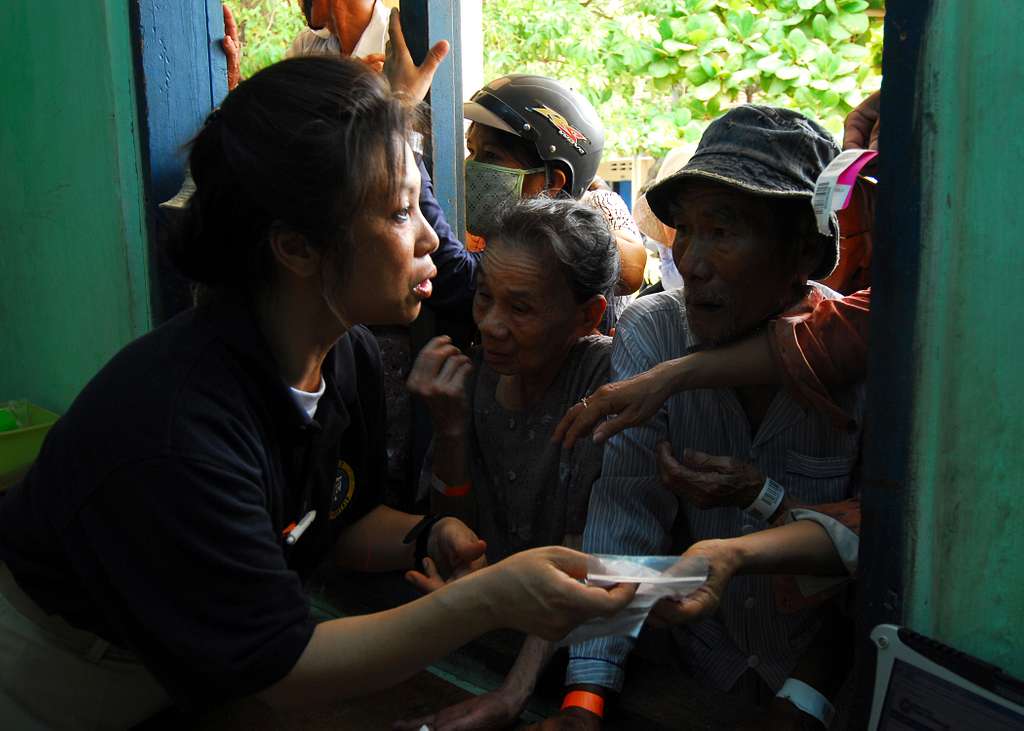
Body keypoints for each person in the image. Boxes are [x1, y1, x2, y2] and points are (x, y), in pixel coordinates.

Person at [0, 57, 634, 729]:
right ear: (298, 248)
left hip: (184, 656)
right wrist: (488, 599)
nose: (427, 236)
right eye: (397, 211)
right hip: (54, 672)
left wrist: (429, 533)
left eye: (422, 204)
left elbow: (338, 521)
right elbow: (282, 671)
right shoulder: (179, 432)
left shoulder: (342, 351)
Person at [542, 105, 865, 729]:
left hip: (833, 685)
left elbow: (874, 552)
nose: (691, 261)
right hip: (700, 667)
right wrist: (587, 695)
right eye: (685, 229)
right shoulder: (654, 332)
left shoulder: (860, 357)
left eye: (723, 230)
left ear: (803, 250)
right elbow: (627, 510)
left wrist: (805, 697)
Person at [394, 197, 618, 730]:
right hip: (484, 630)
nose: (492, 325)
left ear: (588, 316)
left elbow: (592, 559)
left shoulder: (604, 383)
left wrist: (512, 693)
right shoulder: (476, 378)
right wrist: (450, 429)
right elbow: (456, 538)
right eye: (485, 299)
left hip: (574, 655)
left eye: (520, 309)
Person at [463, 74, 648, 330]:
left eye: (491, 156)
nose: (471, 167)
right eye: (471, 150)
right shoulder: (476, 227)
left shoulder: (599, 204)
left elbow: (631, 270)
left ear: (552, 184)